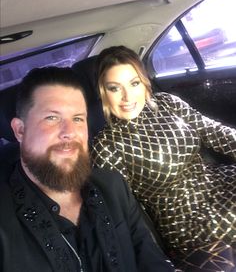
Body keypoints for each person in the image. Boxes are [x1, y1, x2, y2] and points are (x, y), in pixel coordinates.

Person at [0, 67, 175, 272]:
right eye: (52, 118)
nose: (70, 133)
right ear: (20, 130)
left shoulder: (113, 186)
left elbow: (152, 260)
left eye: (77, 119)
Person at [91, 46, 236, 272]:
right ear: (103, 92)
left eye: (134, 83)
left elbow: (214, 131)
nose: (127, 97)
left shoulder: (167, 103)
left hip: (217, 180)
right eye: (114, 88)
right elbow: (124, 213)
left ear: (144, 83)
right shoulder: (106, 145)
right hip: (185, 219)